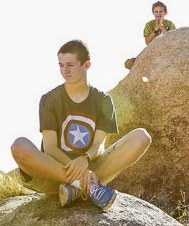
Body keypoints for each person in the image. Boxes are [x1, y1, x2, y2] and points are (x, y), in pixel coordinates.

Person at [11, 40, 151, 210]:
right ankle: (87, 187)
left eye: (70, 65)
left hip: (92, 169)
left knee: (141, 137)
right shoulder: (49, 100)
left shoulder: (103, 101)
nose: (65, 71)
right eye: (61, 65)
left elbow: (99, 144)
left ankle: (76, 189)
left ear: (86, 65)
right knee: (19, 146)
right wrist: (79, 173)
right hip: (54, 172)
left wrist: (84, 160)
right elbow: (50, 148)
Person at [125, 1, 176, 70]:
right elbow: (147, 42)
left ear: (165, 12)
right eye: (156, 11)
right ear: (153, 13)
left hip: (166, 48)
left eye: (161, 11)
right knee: (129, 63)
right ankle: (136, 62)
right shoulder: (149, 24)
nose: (158, 14)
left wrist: (161, 27)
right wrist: (155, 29)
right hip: (153, 48)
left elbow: (172, 39)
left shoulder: (170, 24)